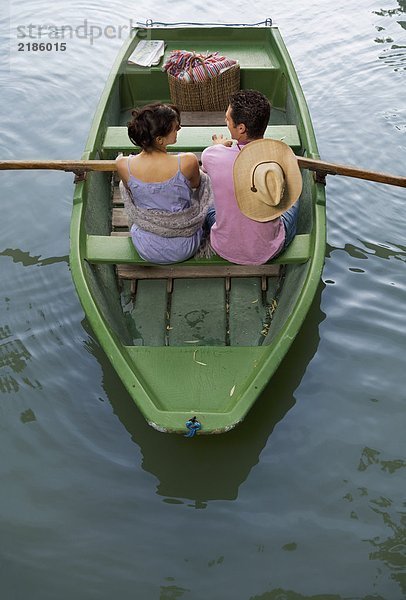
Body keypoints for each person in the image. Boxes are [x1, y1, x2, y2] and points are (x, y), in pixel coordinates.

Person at [201, 90, 302, 265]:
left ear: (241, 128)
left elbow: (210, 166)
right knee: (295, 194)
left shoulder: (211, 155)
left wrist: (218, 146)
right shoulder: (279, 160)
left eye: (227, 119)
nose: (226, 122)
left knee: (209, 198)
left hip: (223, 247)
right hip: (269, 249)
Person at [116, 103, 211, 264]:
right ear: (160, 140)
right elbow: (197, 185)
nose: (179, 129)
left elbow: (129, 191)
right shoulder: (187, 161)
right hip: (184, 246)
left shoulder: (123, 165)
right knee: (211, 199)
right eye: (175, 128)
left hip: (146, 246)